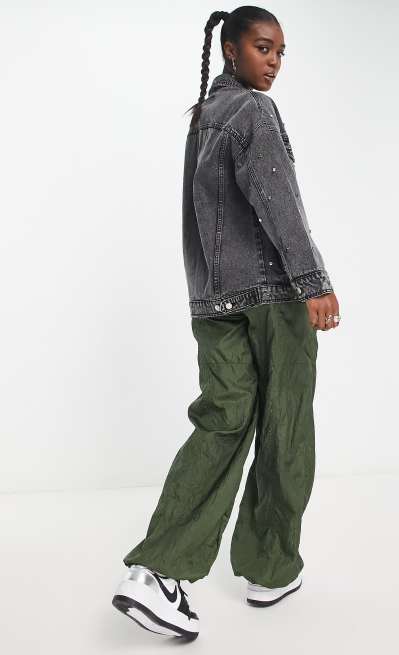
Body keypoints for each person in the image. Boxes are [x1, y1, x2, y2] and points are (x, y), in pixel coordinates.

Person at [112, 6, 340, 642]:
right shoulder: (253, 112)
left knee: (222, 420)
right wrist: (313, 282)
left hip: (214, 301)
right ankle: (270, 568)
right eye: (264, 48)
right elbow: (277, 199)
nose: (274, 62)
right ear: (232, 50)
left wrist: (204, 297)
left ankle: (156, 572)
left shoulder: (203, 119)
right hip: (274, 295)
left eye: (281, 52)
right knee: (285, 425)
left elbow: (196, 223)